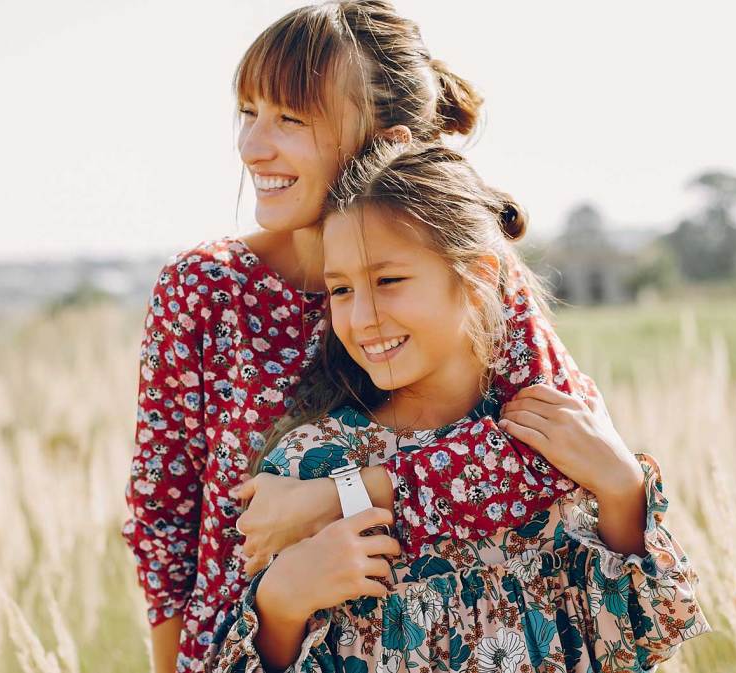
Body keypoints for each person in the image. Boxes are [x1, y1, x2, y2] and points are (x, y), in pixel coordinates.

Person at [123, 3, 599, 672]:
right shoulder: (206, 289)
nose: (253, 146)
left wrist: (346, 494)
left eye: (290, 118)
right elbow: (162, 517)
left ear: (385, 142)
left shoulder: (471, 273)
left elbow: (562, 456)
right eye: (249, 112)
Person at [206, 142, 710, 673]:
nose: (362, 317)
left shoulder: (544, 442)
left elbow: (638, 644)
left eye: (388, 280)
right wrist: (281, 603)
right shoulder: (313, 464)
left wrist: (624, 492)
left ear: (478, 276)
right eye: (341, 290)